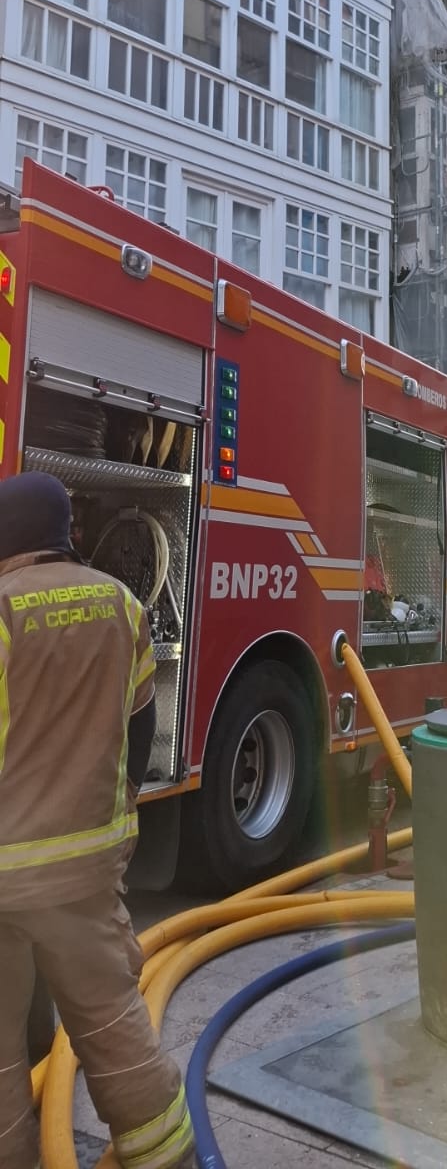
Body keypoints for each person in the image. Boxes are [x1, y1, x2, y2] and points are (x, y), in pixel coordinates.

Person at [0, 470, 196, 1169]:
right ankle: (165, 1153)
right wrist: (109, 821)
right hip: (86, 874)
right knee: (115, 1030)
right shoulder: (120, 605)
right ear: (66, 533)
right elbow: (139, 733)